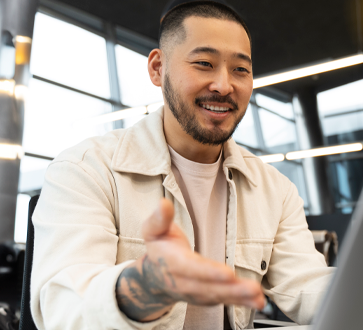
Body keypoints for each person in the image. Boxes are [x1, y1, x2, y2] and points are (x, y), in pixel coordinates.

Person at [29, 1, 334, 329]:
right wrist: (145, 287)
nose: (223, 85)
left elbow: (308, 285)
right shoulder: (87, 170)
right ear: (158, 69)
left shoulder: (275, 189)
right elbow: (62, 309)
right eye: (204, 63)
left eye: (240, 70)